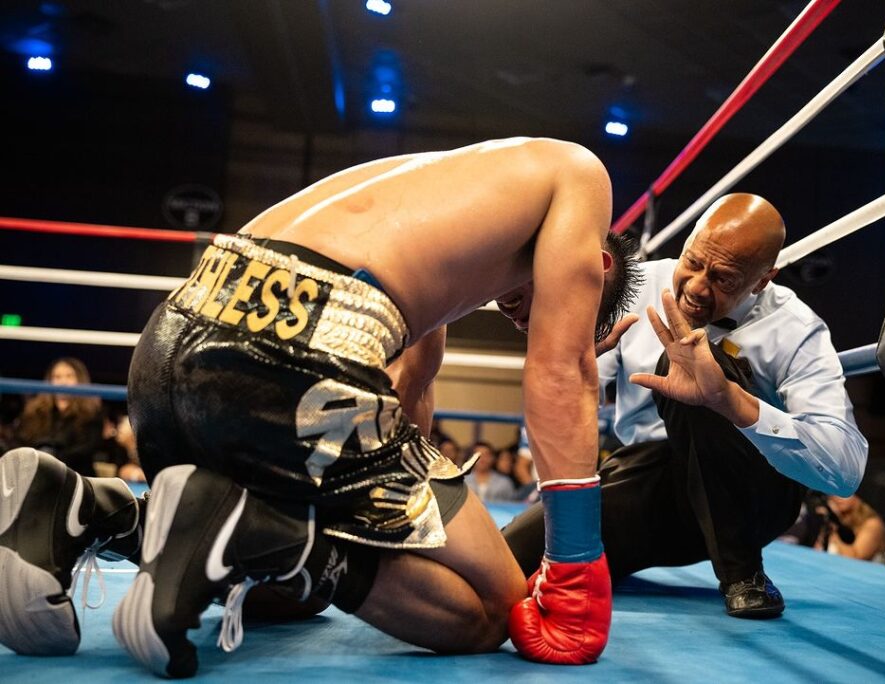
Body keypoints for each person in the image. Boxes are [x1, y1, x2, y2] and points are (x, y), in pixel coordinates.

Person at [0, 137, 643, 675]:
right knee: (488, 609)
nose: (519, 316)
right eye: (536, 311)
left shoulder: (447, 194)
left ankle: (88, 508)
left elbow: (411, 387)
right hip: (297, 355)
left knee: (284, 598)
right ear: (597, 262)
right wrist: (576, 558)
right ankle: (270, 534)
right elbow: (563, 373)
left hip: (169, 340)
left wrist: (394, 525)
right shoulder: (577, 175)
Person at [503, 193, 868, 619]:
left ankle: (742, 573)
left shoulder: (795, 329)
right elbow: (561, 394)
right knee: (512, 557)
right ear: (689, 240)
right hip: (654, 489)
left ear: (764, 279)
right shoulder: (636, 286)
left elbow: (846, 470)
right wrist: (574, 368)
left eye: (723, 278)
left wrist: (731, 402)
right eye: (693, 262)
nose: (696, 286)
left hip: (752, 497)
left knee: (699, 366)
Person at [13, 357, 104, 476]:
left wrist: (53, 459)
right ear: (50, 381)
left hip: (76, 476)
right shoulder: (34, 412)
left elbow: (87, 449)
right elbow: (20, 441)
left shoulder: (91, 413)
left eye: (69, 376)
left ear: (80, 380)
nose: (63, 382)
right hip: (35, 474)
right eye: (57, 377)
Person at [812, 494, 885, 562]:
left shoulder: (872, 524)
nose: (838, 497)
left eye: (845, 493)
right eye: (836, 493)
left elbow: (855, 559)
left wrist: (832, 531)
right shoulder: (838, 518)